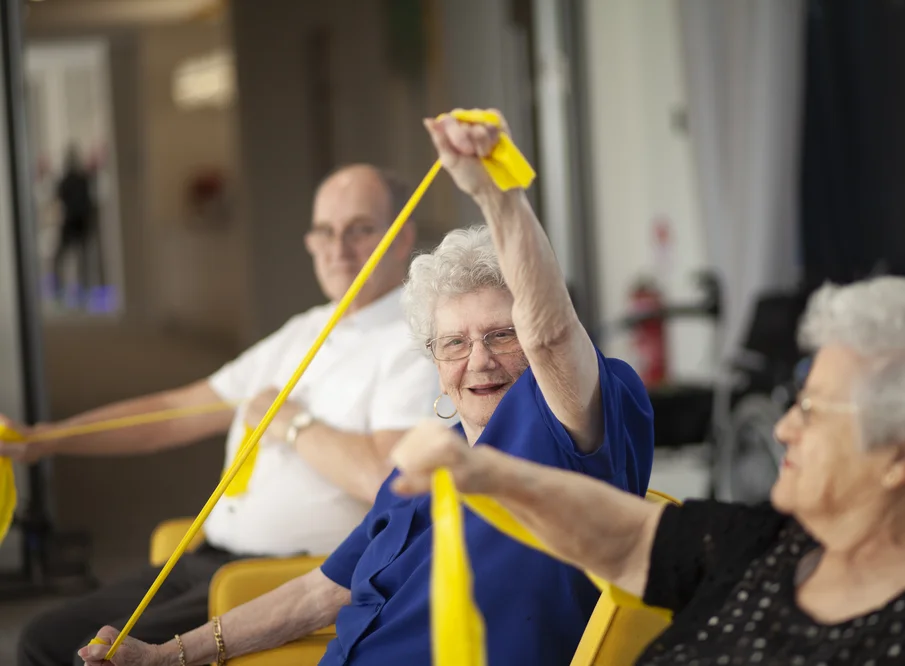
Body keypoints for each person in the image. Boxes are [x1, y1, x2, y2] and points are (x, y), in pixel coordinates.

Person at [79, 111, 654, 666]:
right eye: (453, 343)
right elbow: (314, 595)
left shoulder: (568, 431)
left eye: (502, 335)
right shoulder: (422, 471)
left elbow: (553, 336)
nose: (478, 360)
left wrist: (497, 197)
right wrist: (167, 656)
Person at [389, 275, 905, 664]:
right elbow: (626, 536)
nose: (783, 428)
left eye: (811, 412)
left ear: (903, 457)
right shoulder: (768, 545)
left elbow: (553, 342)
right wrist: (484, 474)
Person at [6, 164, 441, 666]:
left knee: (68, 651)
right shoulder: (308, 328)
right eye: (325, 230)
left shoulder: (415, 339)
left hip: (279, 578)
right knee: (43, 636)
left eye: (360, 229)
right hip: (207, 559)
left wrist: (293, 425)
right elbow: (177, 410)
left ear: (402, 235)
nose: (338, 247)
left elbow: (387, 481)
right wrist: (46, 438)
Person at [53, 145, 96, 303]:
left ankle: (62, 291)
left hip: (73, 222)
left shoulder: (69, 180)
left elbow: (60, 200)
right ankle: (80, 289)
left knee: (65, 257)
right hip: (78, 223)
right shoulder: (82, 179)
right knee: (79, 257)